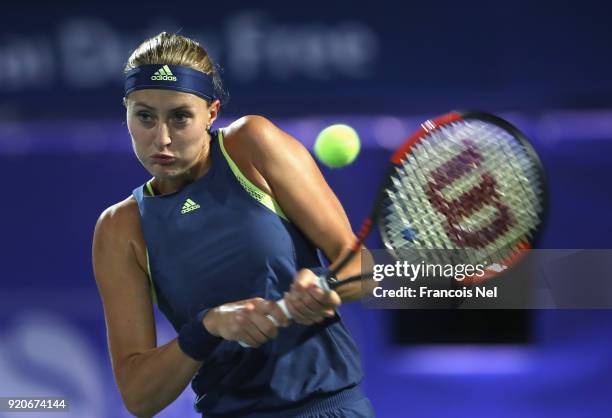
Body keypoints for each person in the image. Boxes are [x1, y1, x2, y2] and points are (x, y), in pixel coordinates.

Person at [92, 32, 375, 418]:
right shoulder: (119, 229)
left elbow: (361, 268)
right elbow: (140, 396)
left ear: (211, 112)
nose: (161, 138)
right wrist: (207, 328)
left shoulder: (251, 146)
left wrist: (327, 284)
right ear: (126, 112)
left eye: (180, 117)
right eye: (144, 116)